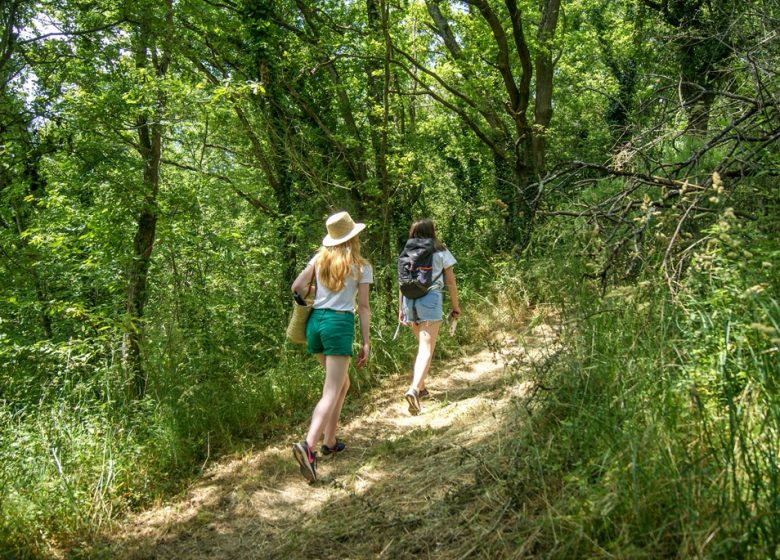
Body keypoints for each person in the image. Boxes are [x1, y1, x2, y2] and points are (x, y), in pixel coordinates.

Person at [290, 211, 372, 483]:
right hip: (338, 325)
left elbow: (297, 287)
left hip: (315, 324)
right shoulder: (361, 266)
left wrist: (320, 293)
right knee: (332, 388)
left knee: (342, 384)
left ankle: (330, 440)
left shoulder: (319, 259)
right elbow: (362, 307)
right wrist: (367, 341)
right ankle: (309, 446)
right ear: (354, 237)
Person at [398, 219, 461, 415]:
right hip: (430, 300)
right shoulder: (440, 251)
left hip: (410, 302)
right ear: (432, 232)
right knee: (426, 348)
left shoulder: (406, 253)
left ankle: (422, 387)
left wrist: (401, 308)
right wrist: (455, 306)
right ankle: (414, 389)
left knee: (424, 347)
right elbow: (450, 281)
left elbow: (401, 281)